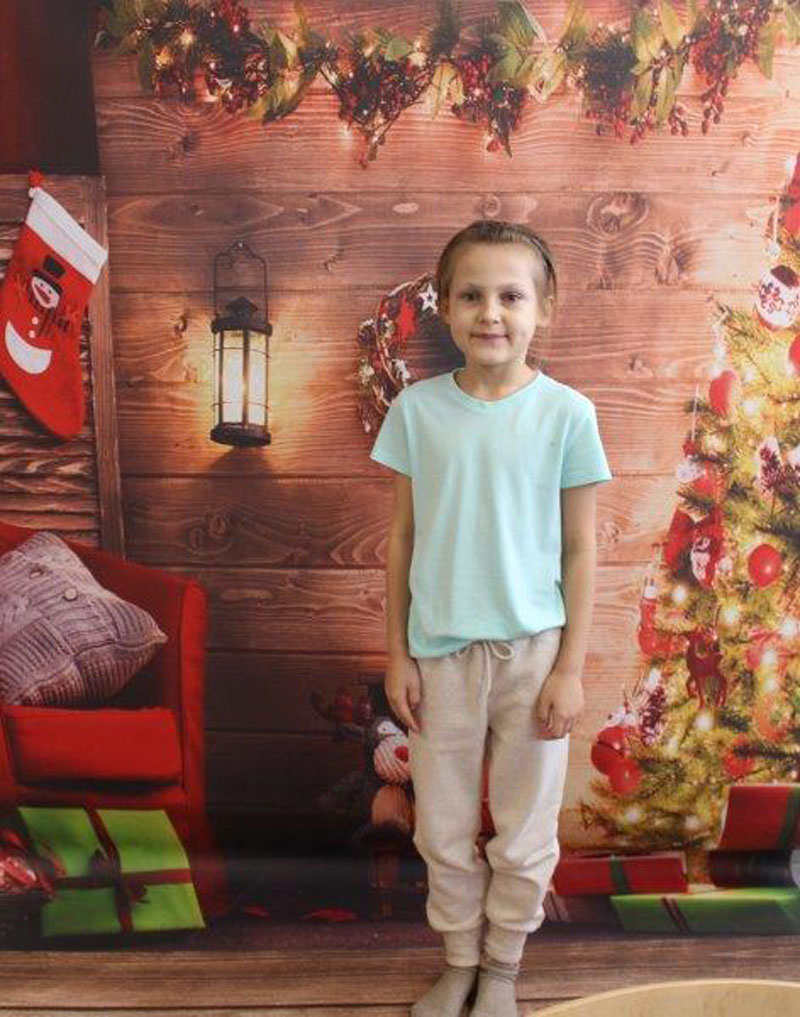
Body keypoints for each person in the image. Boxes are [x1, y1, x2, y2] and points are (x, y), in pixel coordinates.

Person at [369, 220, 613, 1017]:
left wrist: (570, 667)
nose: (491, 313)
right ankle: (459, 961)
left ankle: (503, 966)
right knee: (440, 828)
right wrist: (397, 653)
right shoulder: (417, 412)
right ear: (444, 308)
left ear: (544, 308)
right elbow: (402, 538)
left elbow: (581, 548)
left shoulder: (568, 415)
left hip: (533, 657)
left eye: (511, 295)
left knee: (524, 829)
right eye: (471, 295)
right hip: (439, 657)